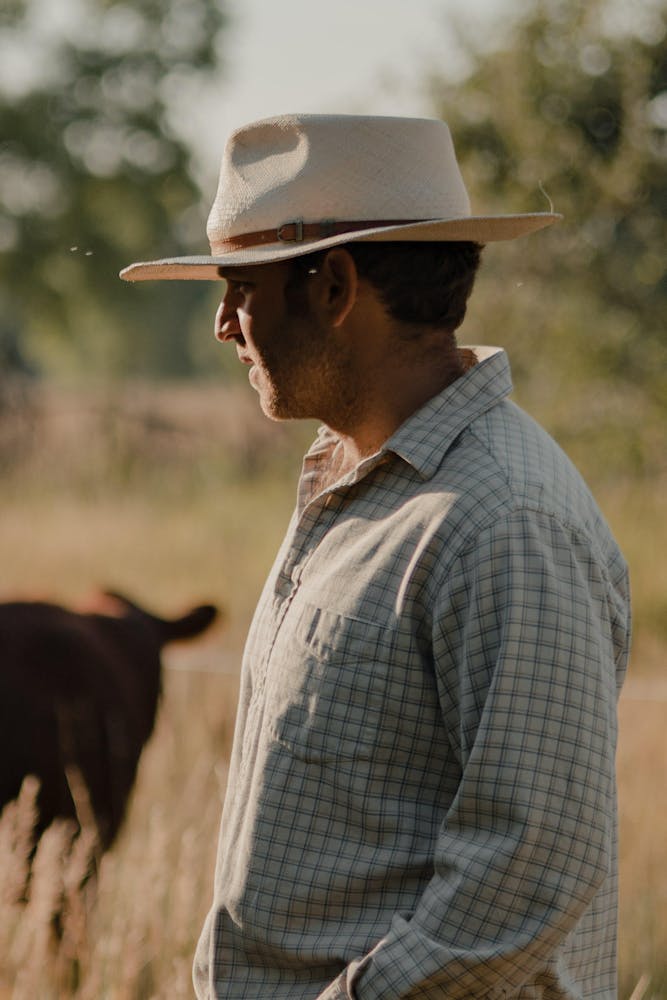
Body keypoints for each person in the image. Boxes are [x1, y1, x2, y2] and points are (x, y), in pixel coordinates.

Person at [121, 114, 631, 999]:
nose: (223, 324)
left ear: (334, 286)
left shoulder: (502, 520)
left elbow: (528, 875)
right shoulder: (357, 478)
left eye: (242, 288)